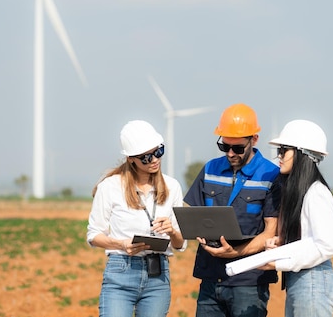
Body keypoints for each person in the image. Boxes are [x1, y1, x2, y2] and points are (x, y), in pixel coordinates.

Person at [183, 103, 281, 317]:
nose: (230, 153)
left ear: (254, 139)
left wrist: (236, 252)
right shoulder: (210, 169)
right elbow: (192, 214)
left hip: (249, 282)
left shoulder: (271, 175)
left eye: (237, 148)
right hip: (210, 278)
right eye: (224, 146)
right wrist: (197, 232)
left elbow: (271, 231)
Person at [87, 120, 186, 317]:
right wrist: (121, 244)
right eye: (146, 157)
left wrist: (172, 231)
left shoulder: (172, 186)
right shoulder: (110, 187)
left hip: (158, 275)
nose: (154, 160)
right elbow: (94, 235)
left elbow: (179, 243)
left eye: (158, 152)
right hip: (121, 269)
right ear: (131, 159)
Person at [265, 119, 333, 317]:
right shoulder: (304, 192)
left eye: (284, 150)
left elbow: (327, 245)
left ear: (302, 153)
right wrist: (284, 242)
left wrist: (279, 262)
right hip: (302, 280)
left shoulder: (316, 193)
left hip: (312, 281)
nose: (279, 156)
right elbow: (310, 238)